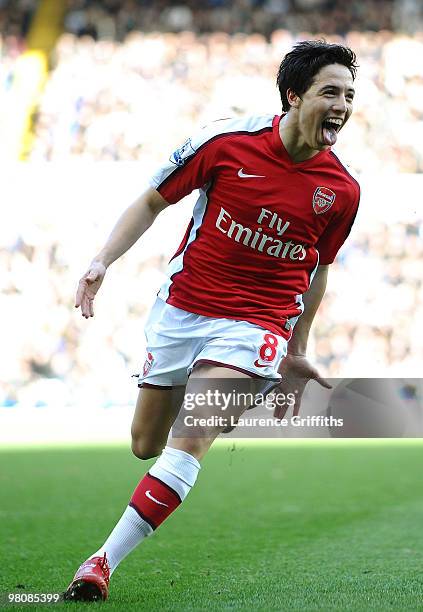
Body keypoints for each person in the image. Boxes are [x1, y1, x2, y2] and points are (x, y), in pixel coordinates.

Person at [65, 40, 360, 601]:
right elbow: (152, 201)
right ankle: (215, 398)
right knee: (145, 443)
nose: (342, 104)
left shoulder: (342, 189)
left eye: (349, 94)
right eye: (330, 92)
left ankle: (100, 563)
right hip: (184, 309)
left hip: (258, 326)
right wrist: (102, 260)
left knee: (192, 436)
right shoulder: (226, 143)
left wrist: (299, 344)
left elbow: (317, 271)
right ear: (294, 96)